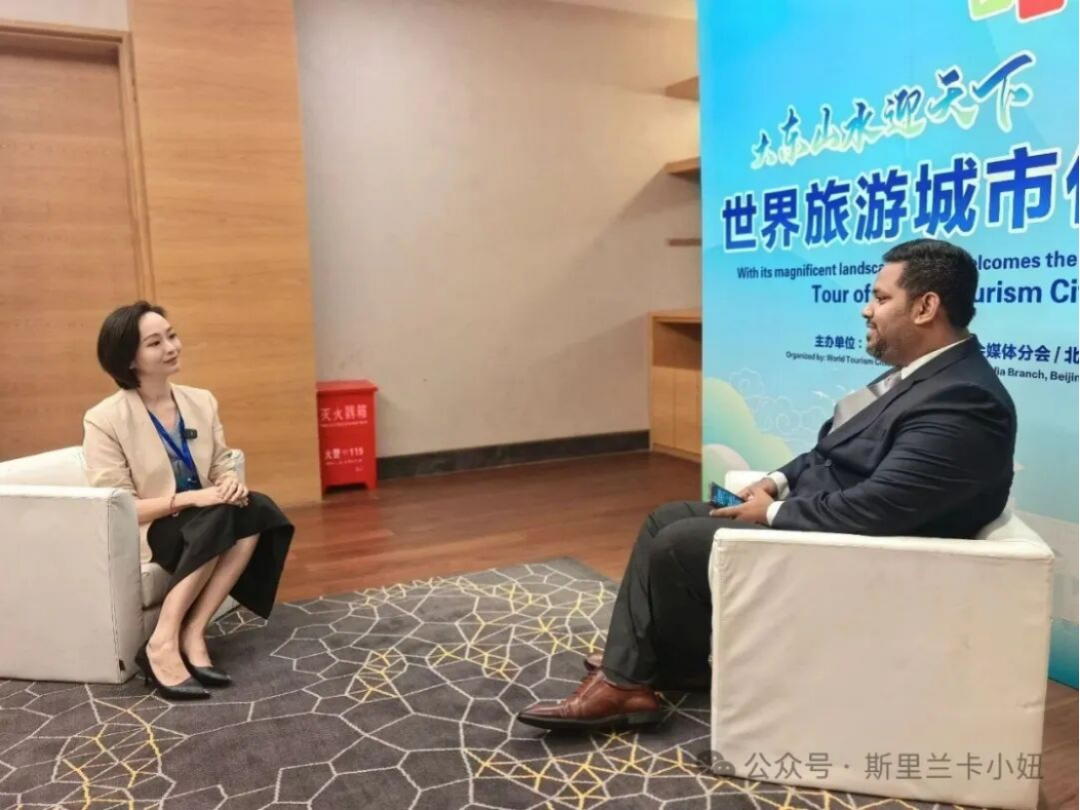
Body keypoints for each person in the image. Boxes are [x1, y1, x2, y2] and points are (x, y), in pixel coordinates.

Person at [516, 237, 1016, 732]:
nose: (867, 310)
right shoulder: (920, 377)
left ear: (926, 307)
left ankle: (624, 682)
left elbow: (881, 509)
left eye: (881, 298)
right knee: (664, 517)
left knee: (680, 541)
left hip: (864, 552)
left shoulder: (964, 399)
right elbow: (830, 449)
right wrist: (774, 483)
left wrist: (771, 513)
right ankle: (661, 668)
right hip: (820, 514)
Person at [83, 301, 295, 700]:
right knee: (218, 518)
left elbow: (221, 462)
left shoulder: (201, 401)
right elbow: (119, 506)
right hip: (154, 526)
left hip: (206, 515)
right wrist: (194, 498)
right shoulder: (104, 419)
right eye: (155, 342)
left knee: (256, 508)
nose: (171, 347)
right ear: (128, 359)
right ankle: (161, 641)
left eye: (172, 336)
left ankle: (194, 631)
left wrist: (229, 482)